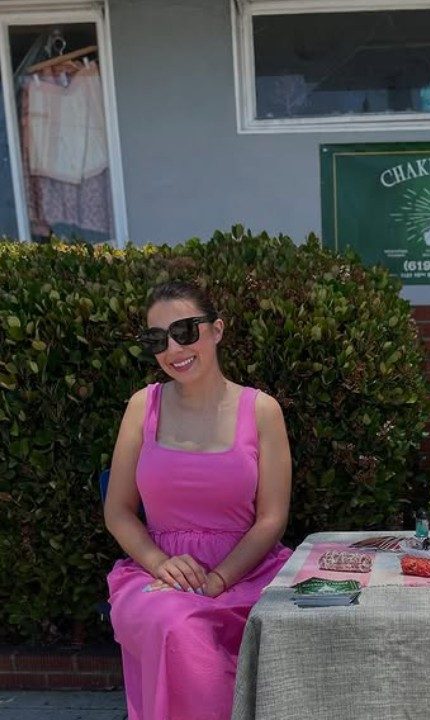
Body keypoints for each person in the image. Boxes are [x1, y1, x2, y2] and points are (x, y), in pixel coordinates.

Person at [104, 280, 293, 720]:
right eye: (157, 339)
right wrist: (159, 563)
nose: (173, 349)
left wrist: (219, 579)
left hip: (247, 570)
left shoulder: (262, 411)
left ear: (217, 330)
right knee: (176, 624)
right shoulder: (143, 407)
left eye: (185, 331)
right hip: (158, 573)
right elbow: (117, 511)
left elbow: (271, 518)